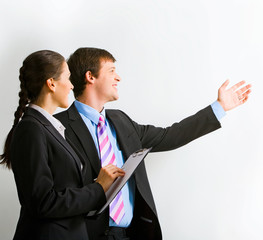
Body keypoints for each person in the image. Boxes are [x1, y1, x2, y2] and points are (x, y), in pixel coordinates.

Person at [55, 47, 252, 240]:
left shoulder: (121, 121)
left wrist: (219, 108)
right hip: (82, 234)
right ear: (91, 77)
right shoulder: (57, 127)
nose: (118, 78)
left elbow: (170, 135)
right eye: (111, 71)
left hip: (129, 234)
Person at [0, 50, 126, 240]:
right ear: (51, 83)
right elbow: (44, 203)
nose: (71, 86)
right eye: (68, 78)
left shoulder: (51, 127)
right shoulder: (31, 129)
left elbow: (62, 186)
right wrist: (98, 188)